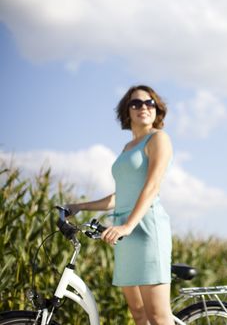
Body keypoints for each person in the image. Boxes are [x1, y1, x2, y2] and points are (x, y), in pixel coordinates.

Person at [66, 85, 174, 325]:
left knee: (158, 316)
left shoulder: (158, 138)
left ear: (157, 109)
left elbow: (152, 186)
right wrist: (80, 206)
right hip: (123, 232)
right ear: (127, 111)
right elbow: (120, 196)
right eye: (136, 103)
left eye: (149, 103)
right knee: (138, 314)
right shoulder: (127, 148)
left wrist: (128, 226)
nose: (143, 107)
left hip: (145, 229)